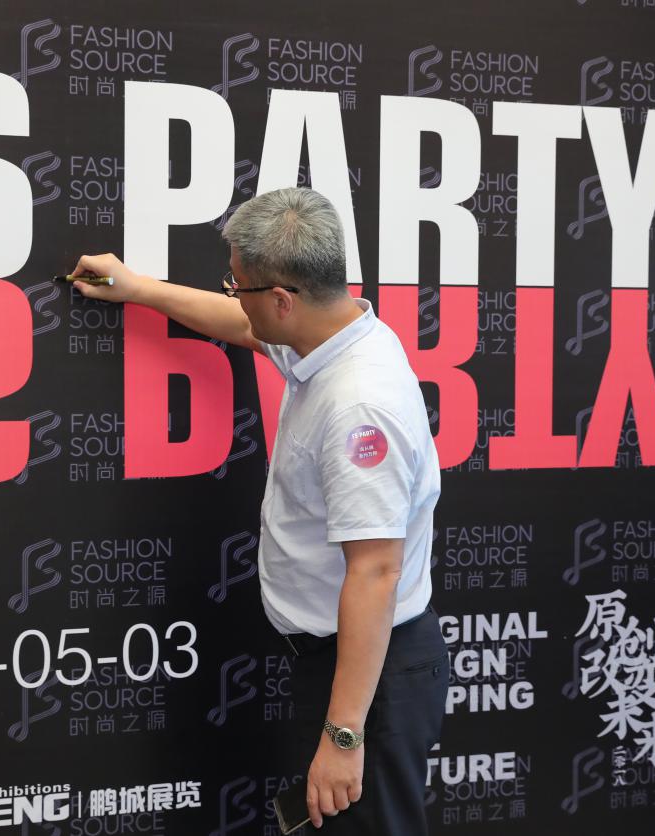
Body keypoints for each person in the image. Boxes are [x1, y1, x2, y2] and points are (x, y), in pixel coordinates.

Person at [70, 187, 447, 834]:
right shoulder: (332, 331)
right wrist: (135, 288)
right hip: (344, 669)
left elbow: (375, 572)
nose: (233, 296)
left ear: (283, 299)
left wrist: (344, 736)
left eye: (237, 285)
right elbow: (243, 324)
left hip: (367, 684)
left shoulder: (359, 406)